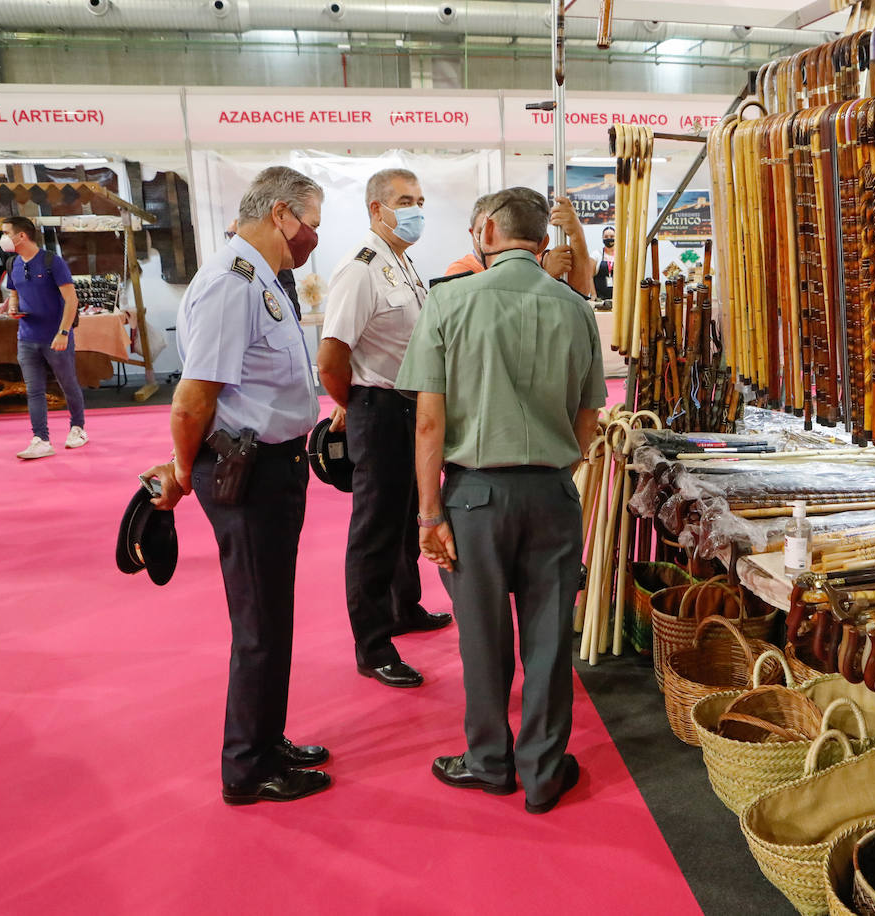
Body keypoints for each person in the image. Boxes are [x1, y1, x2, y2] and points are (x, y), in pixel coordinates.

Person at [396, 187, 606, 814]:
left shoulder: (449, 301)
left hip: (474, 497)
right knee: (548, 638)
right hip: (551, 492)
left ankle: (488, 762)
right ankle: (543, 772)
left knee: (481, 637)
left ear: (484, 229)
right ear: (542, 240)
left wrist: (430, 512)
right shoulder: (575, 309)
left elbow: (429, 423)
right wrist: (553, 468)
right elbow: (589, 416)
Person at [141, 166, 331, 805]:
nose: (311, 239)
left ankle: (266, 738)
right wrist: (178, 472)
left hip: (275, 468)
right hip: (246, 475)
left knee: (273, 618)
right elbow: (193, 399)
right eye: (310, 225)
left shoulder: (261, 278)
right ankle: (246, 769)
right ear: (281, 213)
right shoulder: (232, 282)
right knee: (259, 623)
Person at [316, 168, 450, 689]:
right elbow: (331, 356)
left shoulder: (401, 261)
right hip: (378, 406)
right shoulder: (362, 268)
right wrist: (353, 403)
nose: (415, 209)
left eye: (419, 199)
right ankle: (372, 645)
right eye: (404, 200)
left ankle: (403, 608)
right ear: (377, 209)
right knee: (374, 532)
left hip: (408, 407)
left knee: (403, 521)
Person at [1, 217, 87, 459]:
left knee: (67, 384)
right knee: (34, 390)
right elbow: (14, 291)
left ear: (22, 236)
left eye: (6, 232)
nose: (3, 237)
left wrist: (63, 332)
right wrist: (13, 307)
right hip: (26, 337)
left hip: (56, 336)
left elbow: (72, 300)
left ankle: (77, 428)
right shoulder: (12, 263)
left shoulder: (52, 262)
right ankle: (41, 439)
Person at [443, 196, 595, 296]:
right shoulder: (460, 271)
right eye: (482, 231)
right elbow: (488, 310)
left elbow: (578, 296)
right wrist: (544, 277)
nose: (490, 238)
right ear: (472, 232)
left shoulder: (535, 260)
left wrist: (577, 235)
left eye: (498, 231)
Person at [593, 225, 616, 301]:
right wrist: (594, 295)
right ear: (602, 238)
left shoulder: (622, 255)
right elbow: (589, 276)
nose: (609, 238)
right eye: (606, 236)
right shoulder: (596, 254)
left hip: (618, 297)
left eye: (612, 236)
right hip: (600, 297)